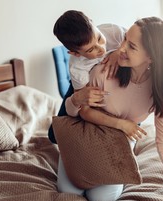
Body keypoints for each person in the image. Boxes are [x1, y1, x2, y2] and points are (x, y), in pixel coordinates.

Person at [66, 17, 163, 197]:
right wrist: (121, 124)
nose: (120, 48)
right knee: (68, 192)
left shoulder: (161, 90)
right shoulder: (103, 71)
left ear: (151, 57)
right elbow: (82, 112)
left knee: (100, 198)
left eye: (132, 46)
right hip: (86, 137)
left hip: (118, 142)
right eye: (124, 39)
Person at [48, 10, 125, 142]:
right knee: (54, 135)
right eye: (91, 50)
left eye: (100, 39)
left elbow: (137, 45)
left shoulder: (114, 31)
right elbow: (82, 109)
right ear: (75, 53)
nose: (101, 48)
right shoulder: (77, 67)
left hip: (114, 83)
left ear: (93, 23)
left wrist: (120, 51)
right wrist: (77, 99)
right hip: (83, 84)